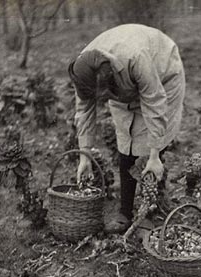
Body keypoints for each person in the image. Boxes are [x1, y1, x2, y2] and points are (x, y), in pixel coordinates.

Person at [68, 24, 185, 231]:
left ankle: (149, 209)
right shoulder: (84, 71)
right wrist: (84, 156)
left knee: (147, 150)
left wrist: (155, 154)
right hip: (123, 86)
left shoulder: (136, 58)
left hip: (163, 75)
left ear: (108, 78)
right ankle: (125, 213)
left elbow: (155, 103)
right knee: (126, 142)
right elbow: (84, 112)